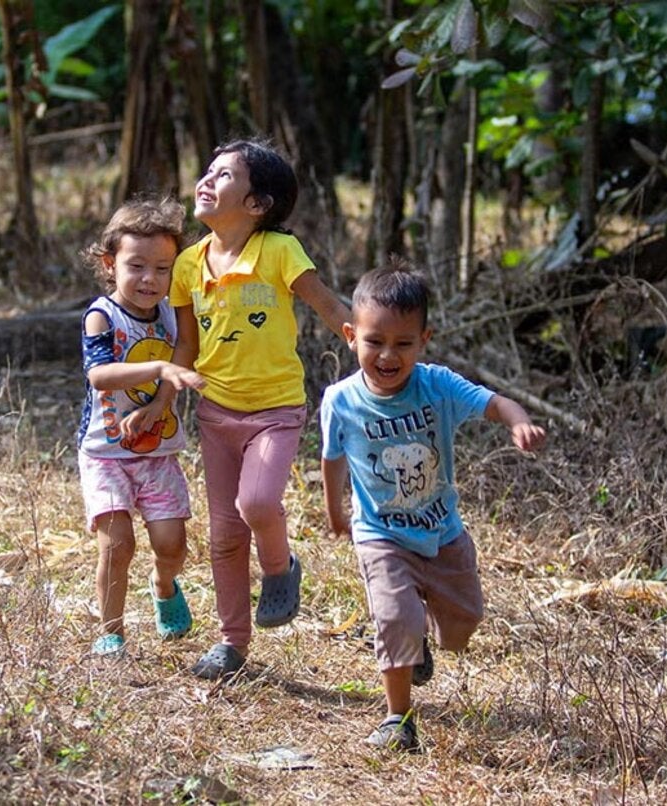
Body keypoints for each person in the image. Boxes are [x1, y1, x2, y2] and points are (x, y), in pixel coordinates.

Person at [320, 263, 546, 751]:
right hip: (380, 534)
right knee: (396, 618)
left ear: (424, 340)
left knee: (462, 629)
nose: (387, 355)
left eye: (403, 343)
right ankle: (397, 720)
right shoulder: (340, 400)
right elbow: (333, 458)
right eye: (375, 341)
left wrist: (518, 422)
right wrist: (335, 512)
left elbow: (496, 403)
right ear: (350, 335)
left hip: (442, 532)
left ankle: (425, 636)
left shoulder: (438, 385)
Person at [165, 139, 351, 680]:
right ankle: (232, 643)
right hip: (215, 413)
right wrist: (165, 395)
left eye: (223, 175)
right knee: (223, 533)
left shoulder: (278, 252)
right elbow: (185, 344)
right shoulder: (186, 264)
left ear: (256, 205)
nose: (206, 180)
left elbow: (326, 304)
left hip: (274, 409)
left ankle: (279, 566)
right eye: (208, 171)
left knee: (258, 503)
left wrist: (364, 341)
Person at [76, 197, 206, 656]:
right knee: (118, 544)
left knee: (171, 543)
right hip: (106, 452)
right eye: (137, 266)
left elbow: (185, 351)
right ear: (110, 264)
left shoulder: (172, 314)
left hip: (158, 451)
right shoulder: (102, 316)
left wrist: (159, 405)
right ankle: (111, 631)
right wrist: (158, 373)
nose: (150, 279)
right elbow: (99, 375)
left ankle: (164, 584)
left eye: (162, 268)